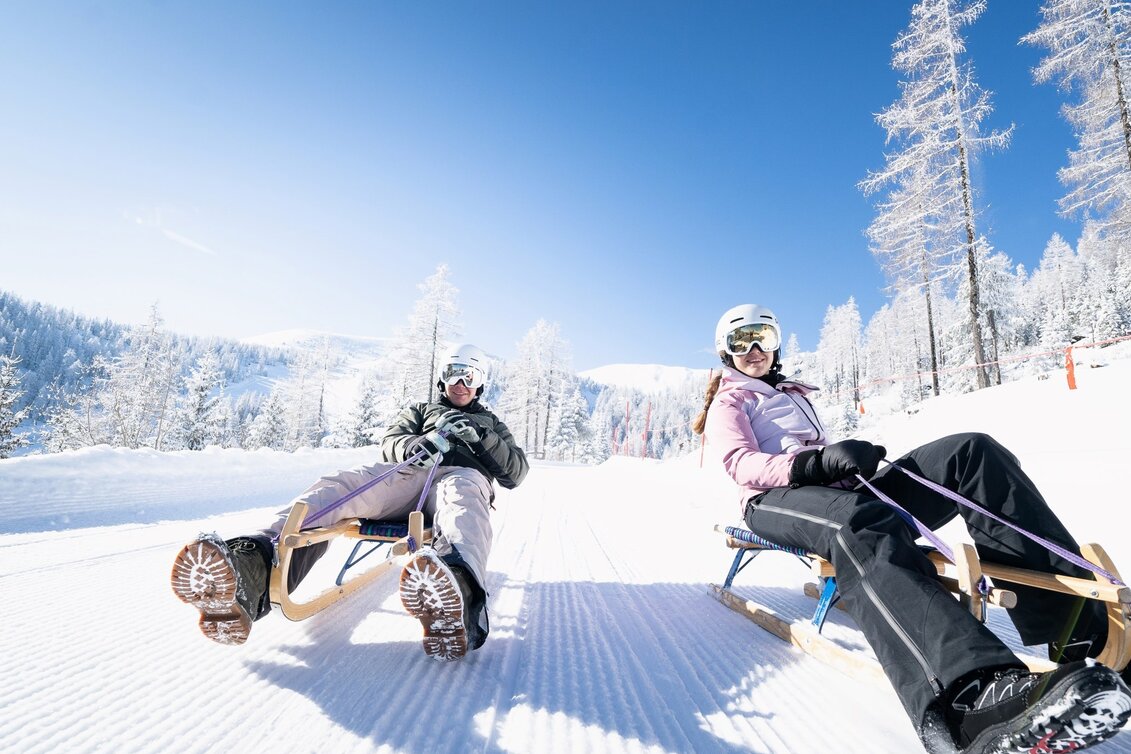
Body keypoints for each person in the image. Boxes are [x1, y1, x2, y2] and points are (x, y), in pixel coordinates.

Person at [694, 304, 1131, 754]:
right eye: (740, 342)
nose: (753, 349)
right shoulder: (731, 400)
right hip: (770, 500)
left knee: (971, 453)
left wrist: (846, 462)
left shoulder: (792, 392)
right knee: (859, 523)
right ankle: (969, 698)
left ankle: (1081, 632)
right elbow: (739, 463)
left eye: (762, 337)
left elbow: (821, 459)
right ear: (725, 352)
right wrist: (812, 464)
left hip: (832, 490)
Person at [170, 343, 528, 660]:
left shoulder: (491, 423)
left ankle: (459, 593)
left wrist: (481, 437)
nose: (460, 383)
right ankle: (253, 565)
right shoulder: (421, 410)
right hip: (409, 475)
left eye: (469, 376)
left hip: (461, 477)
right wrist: (414, 445)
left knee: (463, 505)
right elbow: (392, 440)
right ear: (442, 378)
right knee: (343, 485)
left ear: (480, 382)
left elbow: (516, 471)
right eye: (453, 373)